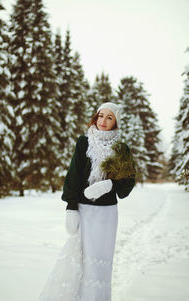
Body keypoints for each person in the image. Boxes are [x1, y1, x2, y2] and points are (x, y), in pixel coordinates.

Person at [39, 102, 135, 301]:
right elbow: (73, 175)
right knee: (80, 260)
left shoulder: (121, 148)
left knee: (101, 262)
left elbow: (127, 183)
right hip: (84, 210)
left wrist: (109, 185)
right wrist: (71, 207)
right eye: (101, 116)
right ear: (95, 117)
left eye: (109, 117)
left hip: (107, 214)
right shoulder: (84, 142)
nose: (103, 121)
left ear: (116, 122)